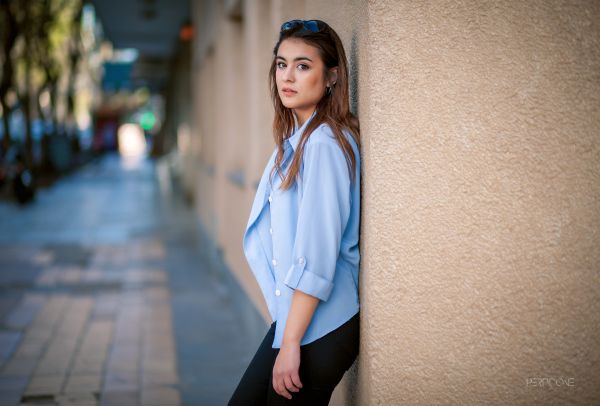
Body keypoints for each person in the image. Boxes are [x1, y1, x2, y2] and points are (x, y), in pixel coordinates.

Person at [228, 19, 361, 405]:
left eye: (303, 66)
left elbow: (316, 258)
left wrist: (289, 344)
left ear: (332, 77)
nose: (288, 76)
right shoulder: (296, 143)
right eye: (282, 64)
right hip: (297, 322)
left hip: (319, 328)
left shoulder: (324, 145)